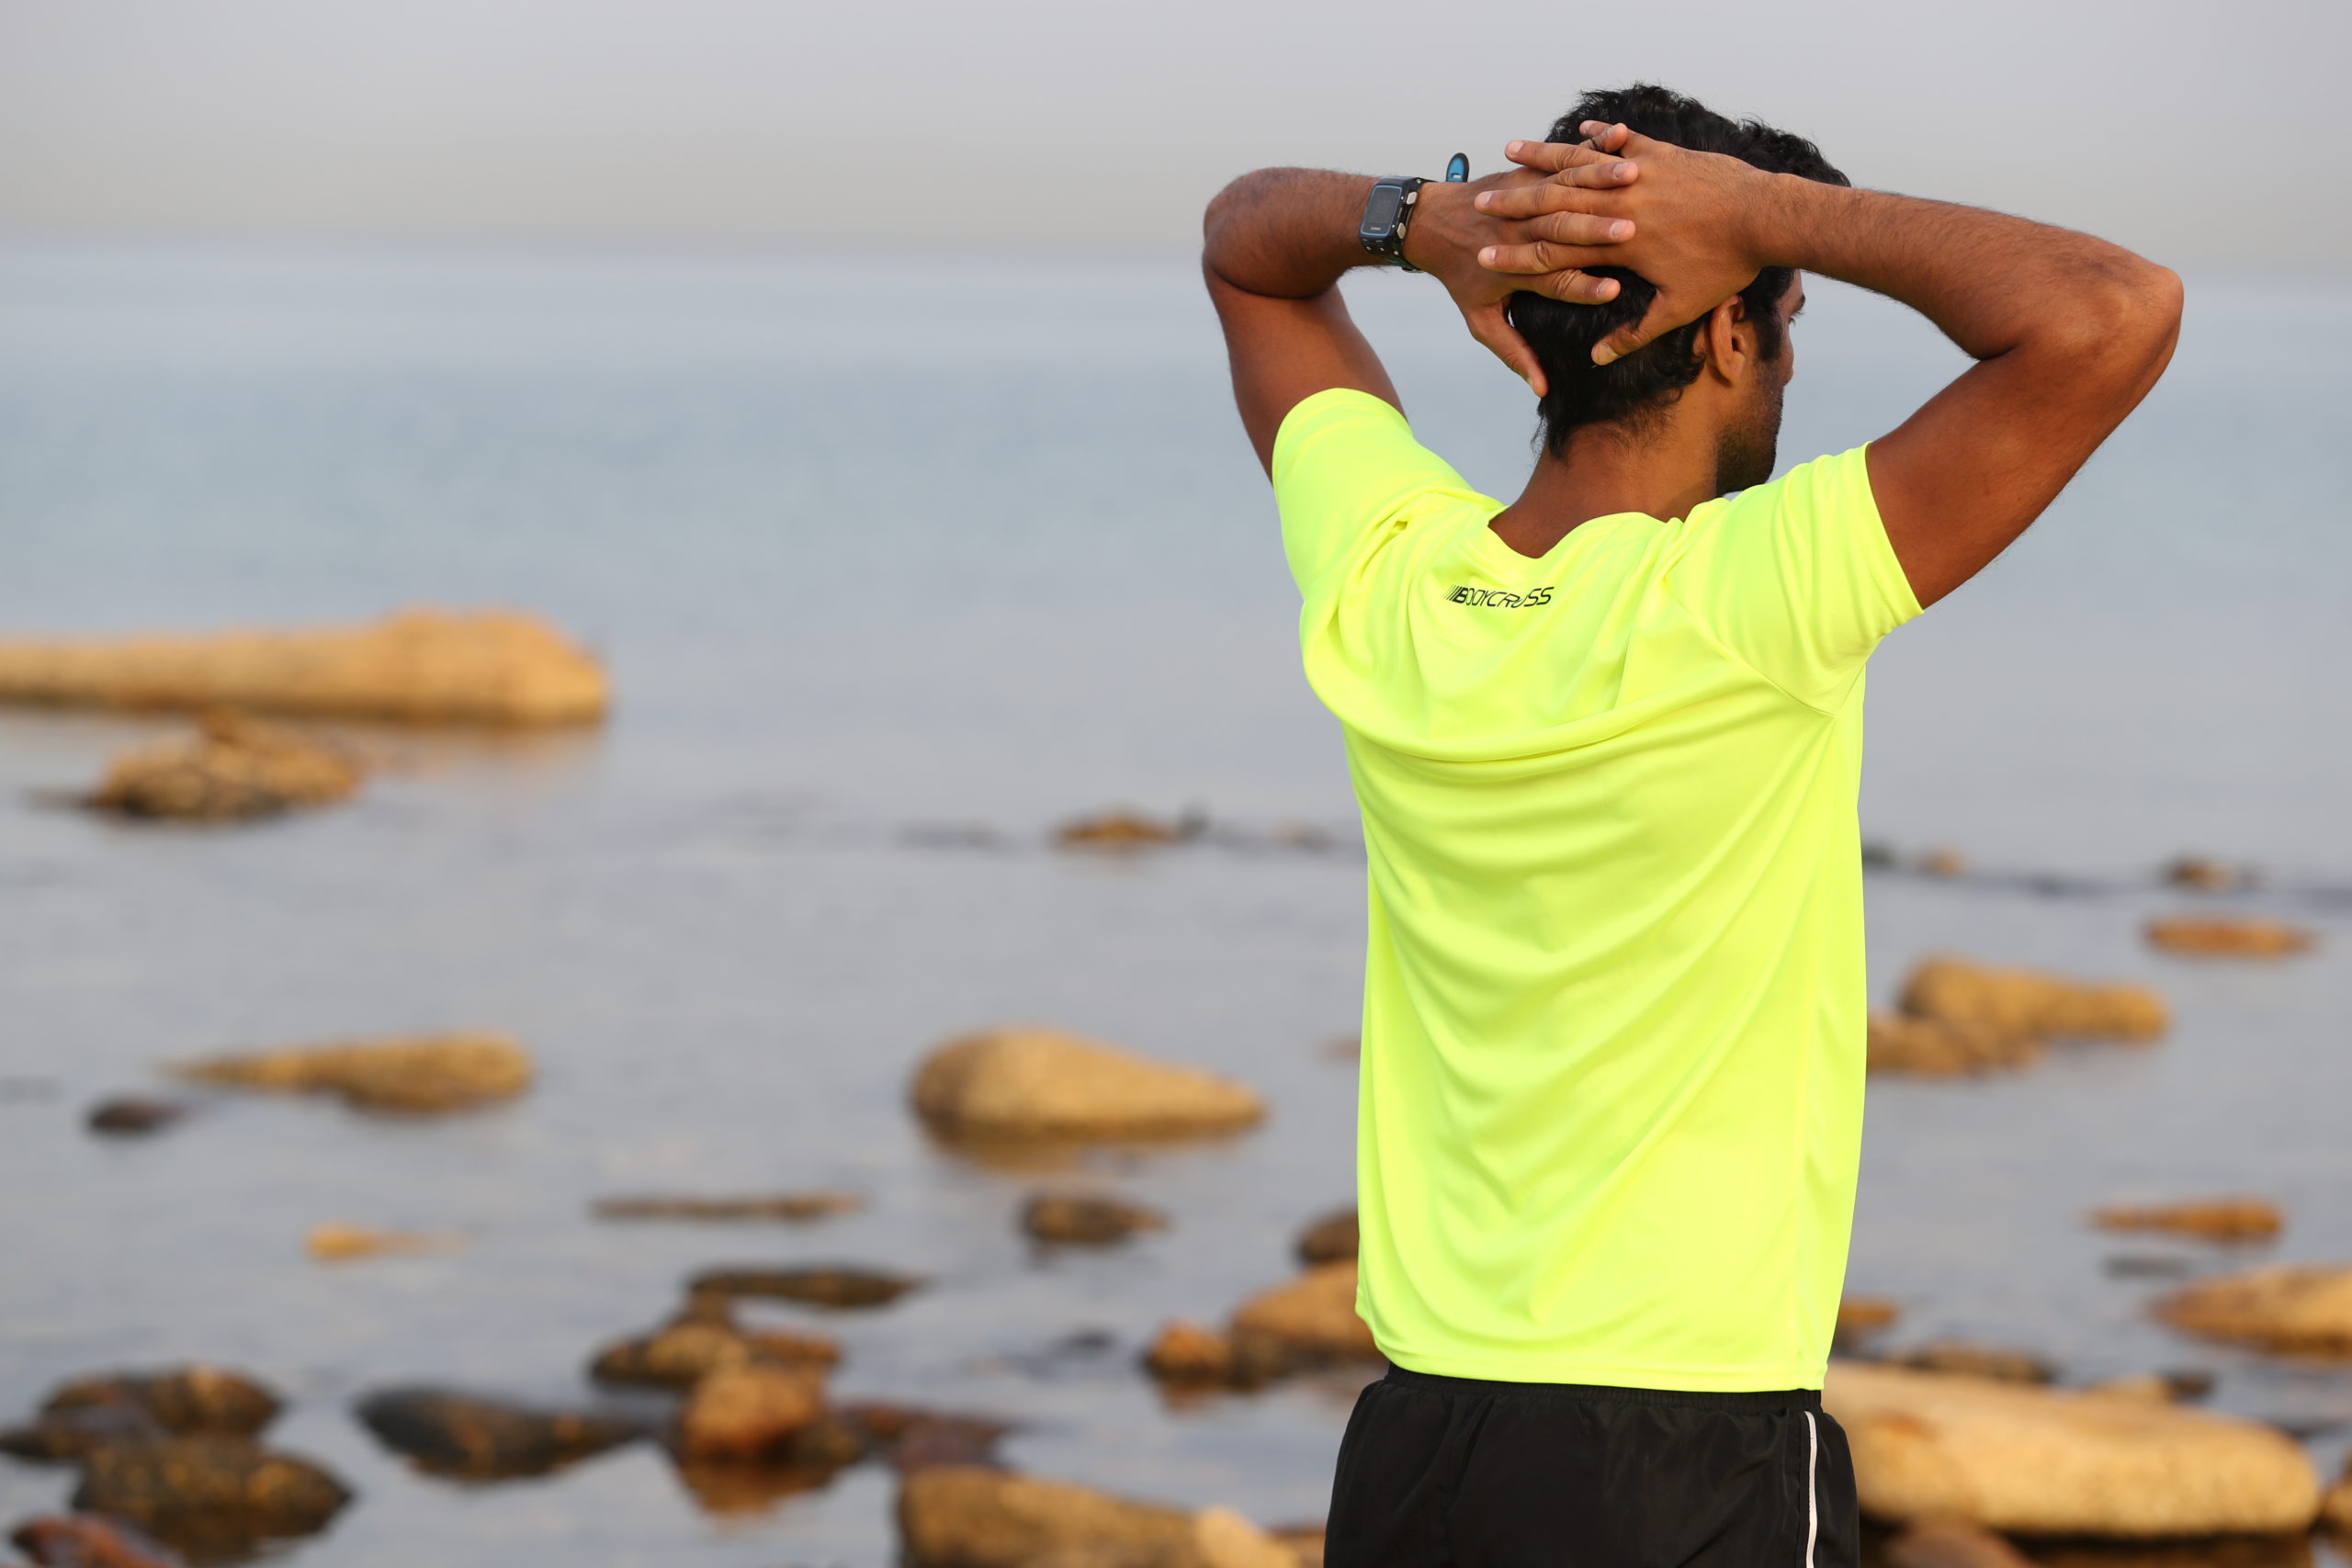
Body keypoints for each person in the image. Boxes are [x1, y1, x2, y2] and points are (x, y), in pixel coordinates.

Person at [1202, 84, 2180, 1567]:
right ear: (1732, 332)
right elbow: (2115, 309)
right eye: (1784, 321)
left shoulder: (1391, 578)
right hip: (1682, 1450)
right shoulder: (1752, 597)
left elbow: (1247, 247)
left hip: (1419, 1451)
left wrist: (1429, 223)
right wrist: (1767, 214)